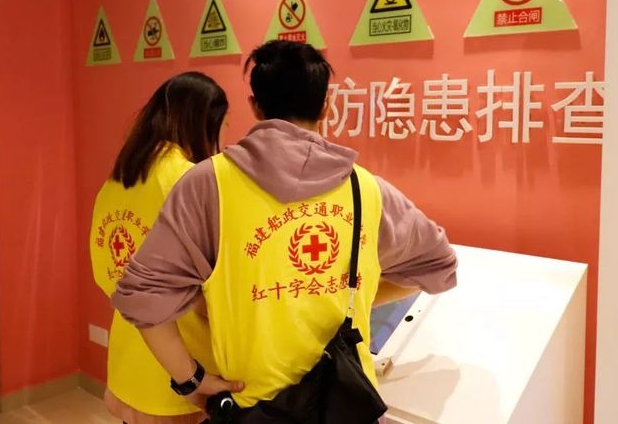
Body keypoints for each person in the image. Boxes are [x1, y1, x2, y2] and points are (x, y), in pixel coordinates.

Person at [111, 40, 457, 418]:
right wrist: (351, 293)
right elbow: (440, 267)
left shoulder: (207, 185)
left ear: (255, 106)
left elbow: (142, 295)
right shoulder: (366, 189)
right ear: (326, 105)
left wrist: (190, 380)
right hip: (348, 404)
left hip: (254, 408)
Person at [89, 71, 229, 424]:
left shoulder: (118, 179)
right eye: (219, 126)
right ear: (202, 123)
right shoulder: (189, 180)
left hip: (129, 353)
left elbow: (106, 272)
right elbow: (217, 279)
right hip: (183, 360)